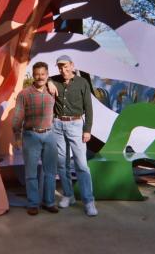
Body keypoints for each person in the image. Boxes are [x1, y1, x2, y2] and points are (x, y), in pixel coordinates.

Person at [49, 55, 98, 216]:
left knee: (81, 165)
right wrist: (49, 82)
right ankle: (68, 195)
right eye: (60, 67)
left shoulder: (82, 82)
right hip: (57, 125)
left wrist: (87, 129)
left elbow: (89, 108)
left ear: (72, 65)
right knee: (62, 164)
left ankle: (89, 201)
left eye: (66, 66)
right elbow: (43, 79)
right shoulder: (54, 80)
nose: (63, 70)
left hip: (76, 125)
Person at [12, 62, 59, 216]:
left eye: (43, 74)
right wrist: (17, 136)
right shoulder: (24, 94)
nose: (40, 77)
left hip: (50, 135)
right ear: (33, 75)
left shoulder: (52, 91)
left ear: (47, 75)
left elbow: (67, 79)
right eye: (37, 74)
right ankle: (33, 204)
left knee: (50, 172)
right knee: (31, 173)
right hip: (30, 136)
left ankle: (49, 202)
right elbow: (17, 116)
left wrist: (51, 82)